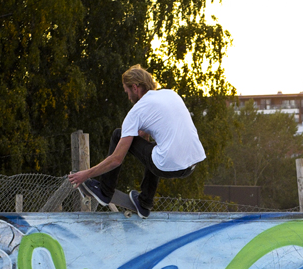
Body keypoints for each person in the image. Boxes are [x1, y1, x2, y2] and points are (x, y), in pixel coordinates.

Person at [67, 65, 206, 216]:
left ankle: (104, 191)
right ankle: (145, 202)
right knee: (157, 150)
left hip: (167, 164)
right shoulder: (170, 95)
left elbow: (116, 159)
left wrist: (86, 174)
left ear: (135, 87)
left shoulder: (136, 112)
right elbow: (159, 128)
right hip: (191, 165)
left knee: (118, 135)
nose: (128, 97)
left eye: (127, 92)